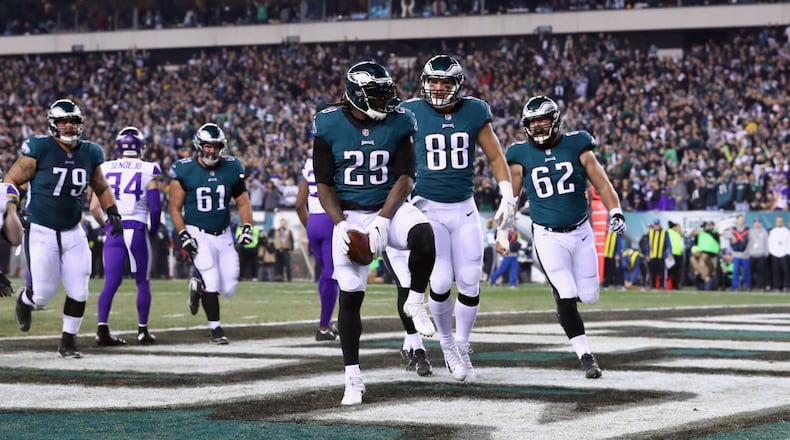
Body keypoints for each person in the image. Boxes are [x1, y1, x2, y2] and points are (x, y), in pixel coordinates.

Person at [313, 61, 436, 405]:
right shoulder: (327, 124)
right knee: (351, 298)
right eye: (376, 94)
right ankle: (353, 377)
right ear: (355, 95)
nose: (386, 101)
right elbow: (323, 184)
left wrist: (383, 218)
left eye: (386, 93)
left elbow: (406, 176)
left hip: (389, 208)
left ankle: (415, 298)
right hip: (349, 213)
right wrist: (341, 224)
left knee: (424, 235)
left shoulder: (400, 122)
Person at [387, 55, 516, 382]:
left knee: (471, 281)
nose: (439, 88)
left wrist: (507, 193)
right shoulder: (410, 111)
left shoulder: (474, 110)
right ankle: (446, 345)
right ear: (424, 83)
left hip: (465, 207)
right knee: (442, 281)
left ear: (457, 85)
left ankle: (461, 345)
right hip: (429, 206)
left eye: (446, 83)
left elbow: (496, 156)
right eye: (434, 82)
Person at [505, 95, 626, 379]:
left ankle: (567, 296)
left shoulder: (577, 144)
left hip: (582, 231)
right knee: (566, 294)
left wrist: (616, 212)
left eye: (542, 120)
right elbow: (510, 197)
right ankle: (585, 355)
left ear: (556, 120)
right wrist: (503, 226)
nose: (537, 127)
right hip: (547, 235)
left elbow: (603, 183)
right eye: (532, 122)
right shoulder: (519, 154)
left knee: (590, 296)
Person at [6, 98, 124, 358]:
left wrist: (112, 210)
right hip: (41, 230)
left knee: (80, 290)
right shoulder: (39, 148)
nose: (69, 126)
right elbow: (12, 180)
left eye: (73, 121)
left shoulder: (90, 152)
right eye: (63, 121)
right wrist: (13, 209)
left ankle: (67, 342)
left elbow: (101, 186)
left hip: (73, 230)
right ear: (53, 124)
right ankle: (25, 301)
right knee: (43, 294)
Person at [169, 122, 255, 345]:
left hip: (224, 233)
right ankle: (216, 329)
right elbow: (174, 208)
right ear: (199, 145)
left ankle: (197, 285)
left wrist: (247, 226)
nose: (212, 151)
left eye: (216, 146)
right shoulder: (184, 168)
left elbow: (243, 203)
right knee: (213, 280)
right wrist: (183, 234)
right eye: (208, 146)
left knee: (229, 288)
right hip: (197, 231)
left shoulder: (233, 167)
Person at [89, 126, 162, 346]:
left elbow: (94, 208)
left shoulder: (105, 167)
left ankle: (102, 329)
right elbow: (156, 208)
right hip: (137, 228)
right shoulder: (149, 168)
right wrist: (153, 230)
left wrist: (107, 226)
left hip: (115, 228)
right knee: (142, 282)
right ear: (141, 146)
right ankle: (142, 331)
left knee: (110, 282)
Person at [295, 156, 339, 341]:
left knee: (326, 275)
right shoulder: (338, 155)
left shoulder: (309, 161)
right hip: (331, 219)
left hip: (314, 221)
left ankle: (326, 323)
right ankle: (323, 328)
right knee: (332, 276)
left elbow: (299, 205)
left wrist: (311, 225)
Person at [726, 214, 750, 291]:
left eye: (742, 220)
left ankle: (747, 286)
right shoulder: (733, 229)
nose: (741, 221)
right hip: (735, 254)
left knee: (746, 271)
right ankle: (735, 286)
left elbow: (751, 240)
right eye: (739, 220)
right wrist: (732, 237)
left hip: (745, 254)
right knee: (735, 271)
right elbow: (725, 234)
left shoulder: (748, 229)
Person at [767, 216, 790, 292]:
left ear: (783, 222)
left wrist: (787, 253)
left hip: (784, 254)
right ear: (776, 222)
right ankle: (776, 287)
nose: (779, 222)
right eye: (778, 221)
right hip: (775, 254)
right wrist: (771, 252)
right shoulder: (773, 231)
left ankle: (786, 286)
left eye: (781, 221)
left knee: (786, 271)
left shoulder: (787, 231)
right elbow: (770, 242)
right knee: (775, 271)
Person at [747, 218, 769, 291]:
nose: (757, 224)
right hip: (752, 254)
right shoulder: (750, 232)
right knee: (751, 272)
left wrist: (766, 253)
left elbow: (767, 243)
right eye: (756, 222)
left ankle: (762, 286)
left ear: (761, 223)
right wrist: (748, 253)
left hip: (761, 255)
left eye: (758, 222)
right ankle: (751, 286)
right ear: (754, 224)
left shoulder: (764, 232)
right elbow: (748, 243)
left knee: (762, 272)